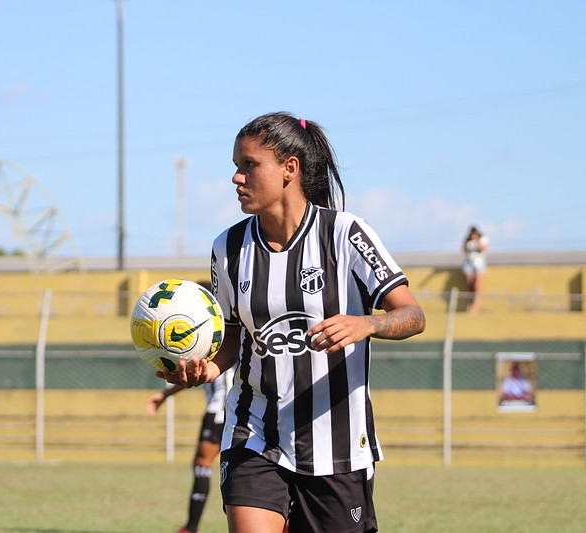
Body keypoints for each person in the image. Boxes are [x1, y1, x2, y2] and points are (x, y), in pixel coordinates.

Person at [157, 112, 426, 533]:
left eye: (249, 165)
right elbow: (232, 337)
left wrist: (365, 324)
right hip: (254, 434)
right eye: (235, 166)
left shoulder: (346, 234)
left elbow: (412, 314)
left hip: (335, 445)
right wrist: (207, 367)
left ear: (289, 169)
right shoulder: (227, 248)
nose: (236, 178)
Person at [146, 365, 235, 533]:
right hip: (236, 412)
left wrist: (165, 395)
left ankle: (191, 528)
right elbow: (197, 376)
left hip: (219, 412)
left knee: (203, 463)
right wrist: (165, 395)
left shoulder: (227, 343)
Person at [462, 225, 489, 313]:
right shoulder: (468, 240)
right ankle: (471, 303)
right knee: (470, 284)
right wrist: (467, 240)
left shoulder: (483, 238)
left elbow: (482, 249)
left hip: (479, 263)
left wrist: (476, 240)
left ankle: (475, 307)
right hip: (469, 262)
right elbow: (464, 250)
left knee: (477, 285)